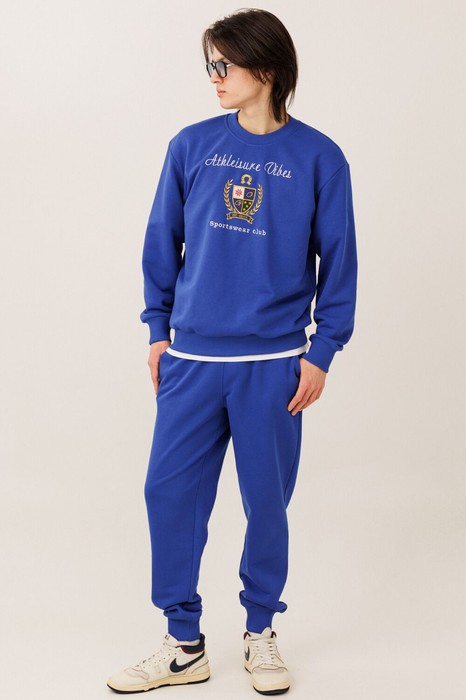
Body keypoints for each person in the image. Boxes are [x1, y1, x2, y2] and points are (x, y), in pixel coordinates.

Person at [107, 7, 358, 696]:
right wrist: (157, 331)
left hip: (273, 365)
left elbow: (339, 261)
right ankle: (182, 643)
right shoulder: (190, 146)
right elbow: (162, 240)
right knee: (168, 492)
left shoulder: (320, 157)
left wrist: (322, 351)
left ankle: (260, 631)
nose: (214, 77)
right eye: (210, 65)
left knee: (267, 504)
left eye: (225, 65)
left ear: (266, 69)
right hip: (191, 360)